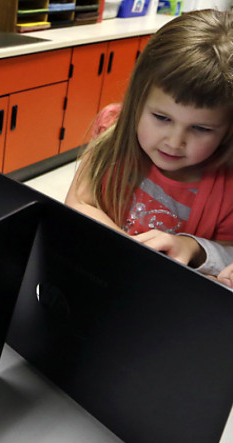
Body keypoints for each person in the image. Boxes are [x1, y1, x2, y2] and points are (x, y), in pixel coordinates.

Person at [65, 10, 233, 278]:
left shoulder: (226, 188)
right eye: (161, 118)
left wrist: (191, 247)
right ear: (137, 101)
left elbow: (228, 255)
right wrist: (134, 255)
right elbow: (78, 202)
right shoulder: (111, 129)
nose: (175, 142)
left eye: (201, 128)